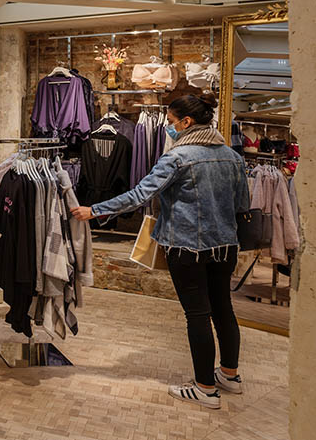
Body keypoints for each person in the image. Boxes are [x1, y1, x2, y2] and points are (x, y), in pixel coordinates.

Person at [72, 94, 250, 410]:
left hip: (187, 247)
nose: (168, 128)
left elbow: (140, 195)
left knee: (197, 314)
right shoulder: (232, 157)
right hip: (226, 246)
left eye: (170, 122)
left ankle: (205, 389)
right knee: (222, 308)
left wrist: (94, 210)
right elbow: (241, 205)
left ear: (186, 123)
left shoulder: (177, 158)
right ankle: (229, 376)